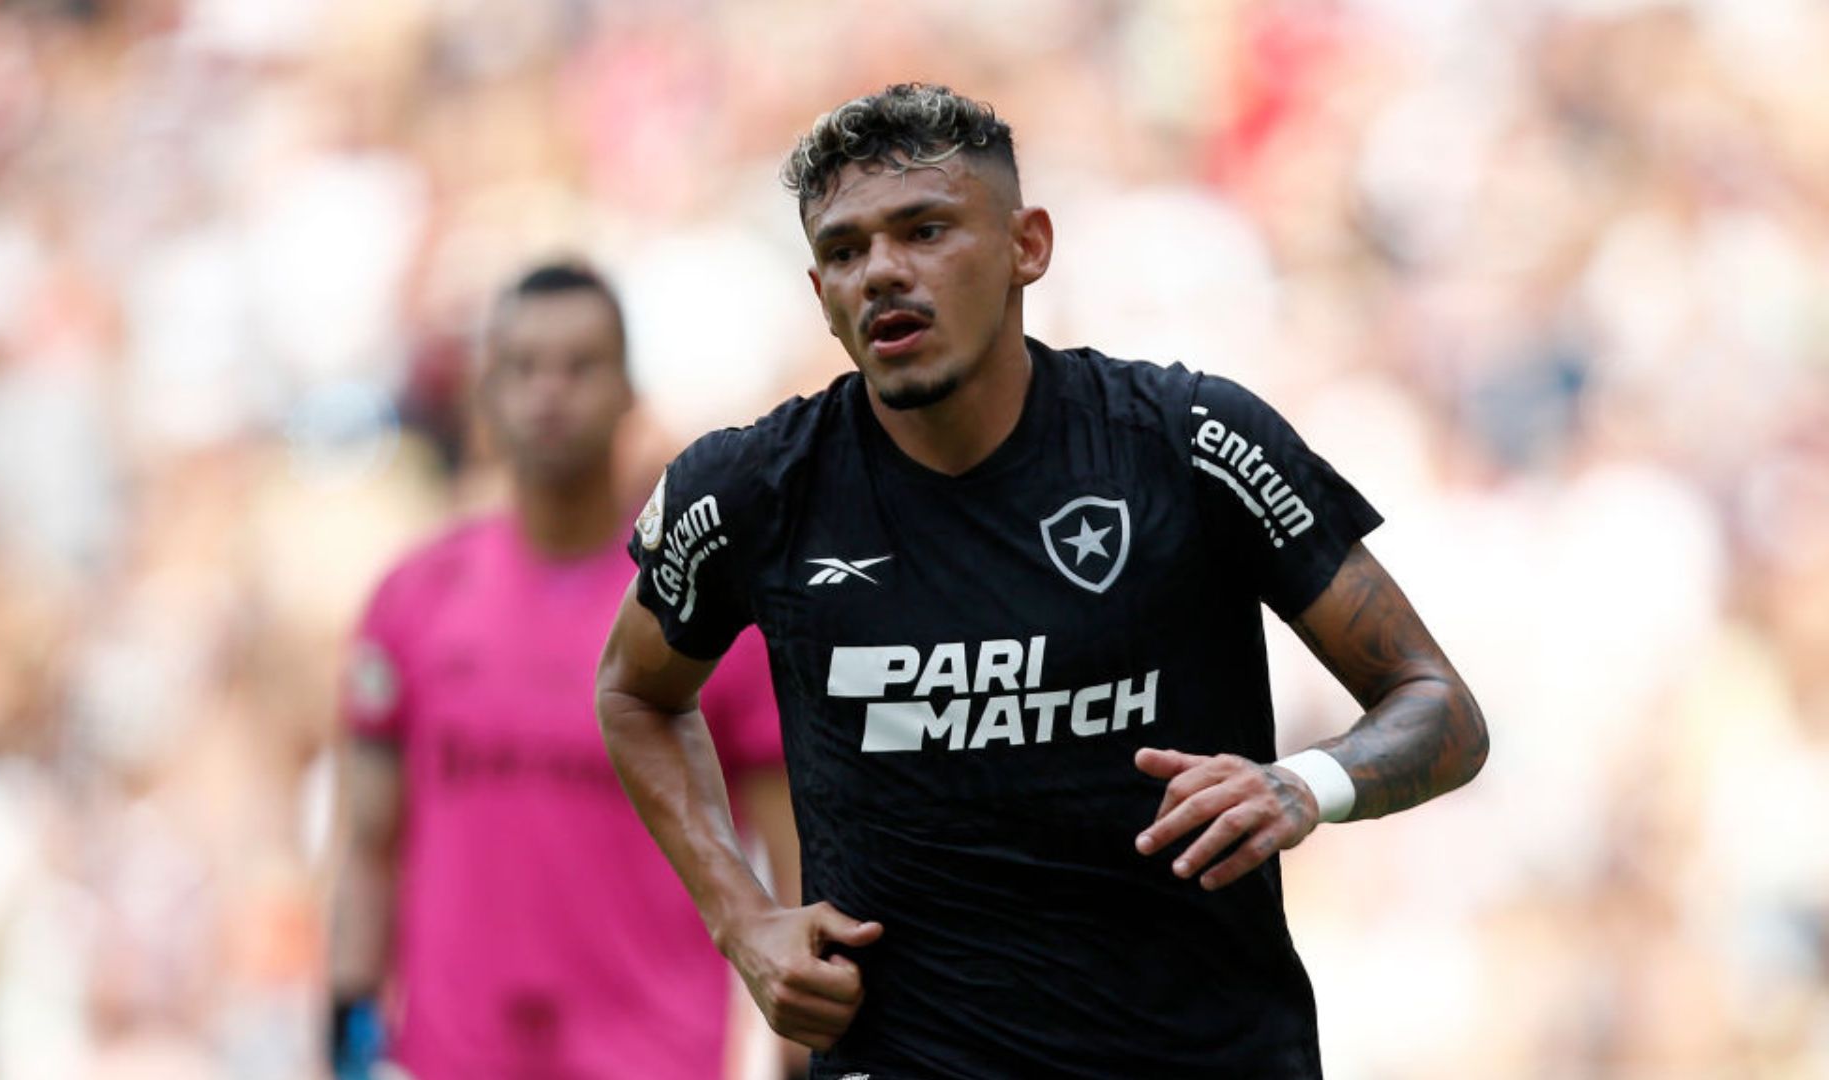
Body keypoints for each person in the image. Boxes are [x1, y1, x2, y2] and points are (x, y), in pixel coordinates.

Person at [594, 84, 1490, 1079]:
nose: (883, 271)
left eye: (925, 229)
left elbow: (1441, 708)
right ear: (820, 295)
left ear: (1029, 246)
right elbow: (633, 691)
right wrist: (743, 921)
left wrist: (1302, 785)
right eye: (846, 251)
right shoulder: (753, 488)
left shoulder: (1186, 444)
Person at [330, 263, 798, 1079]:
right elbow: (365, 845)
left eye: (581, 366)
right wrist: (345, 1043)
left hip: (654, 1058)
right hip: (453, 1057)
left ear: (628, 392)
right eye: (523, 367)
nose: (550, 392)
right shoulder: (413, 599)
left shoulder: (705, 612)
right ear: (485, 395)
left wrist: (800, 1058)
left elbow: (795, 855)